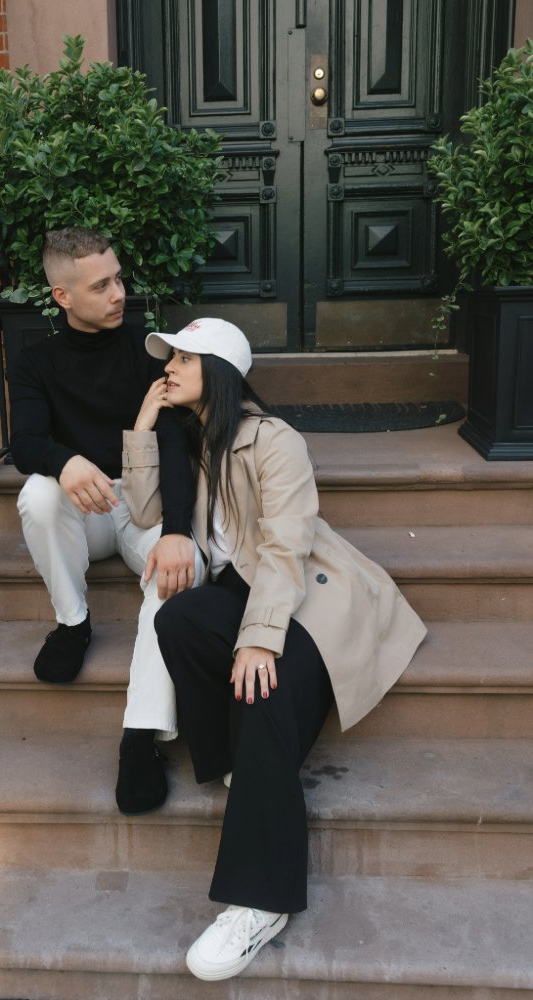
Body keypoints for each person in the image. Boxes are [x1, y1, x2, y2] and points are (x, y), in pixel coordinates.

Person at [121, 317, 427, 981]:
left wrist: (258, 642)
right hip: (246, 587)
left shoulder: (272, 439)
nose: (167, 366)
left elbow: (287, 546)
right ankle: (235, 759)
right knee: (176, 622)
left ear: (220, 373)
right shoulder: (195, 438)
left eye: (182, 357)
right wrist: (143, 426)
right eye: (166, 356)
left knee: (259, 689)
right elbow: (147, 517)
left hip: (312, 602)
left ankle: (260, 901)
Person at [6, 227, 204, 816]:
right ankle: (74, 623)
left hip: (142, 505)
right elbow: (24, 443)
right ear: (63, 296)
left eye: (118, 278)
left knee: (181, 573)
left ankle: (140, 737)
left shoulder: (148, 351)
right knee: (38, 495)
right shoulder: (36, 361)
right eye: (102, 285)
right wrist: (63, 462)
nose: (119, 293)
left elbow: (174, 445)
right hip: (85, 514)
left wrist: (175, 529)